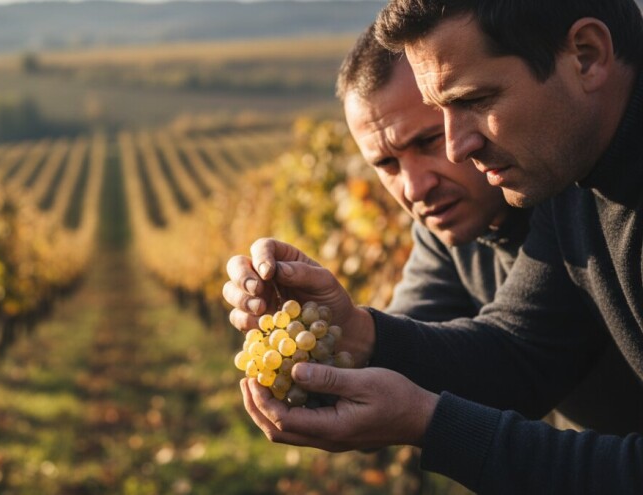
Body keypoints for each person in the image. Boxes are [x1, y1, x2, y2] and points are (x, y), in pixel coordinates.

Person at [222, 1, 643, 493]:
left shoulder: (558, 172)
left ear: (588, 56)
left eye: (475, 100)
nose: (456, 145)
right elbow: (522, 355)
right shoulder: (574, 180)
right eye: (440, 113)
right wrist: (355, 332)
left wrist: (429, 424)